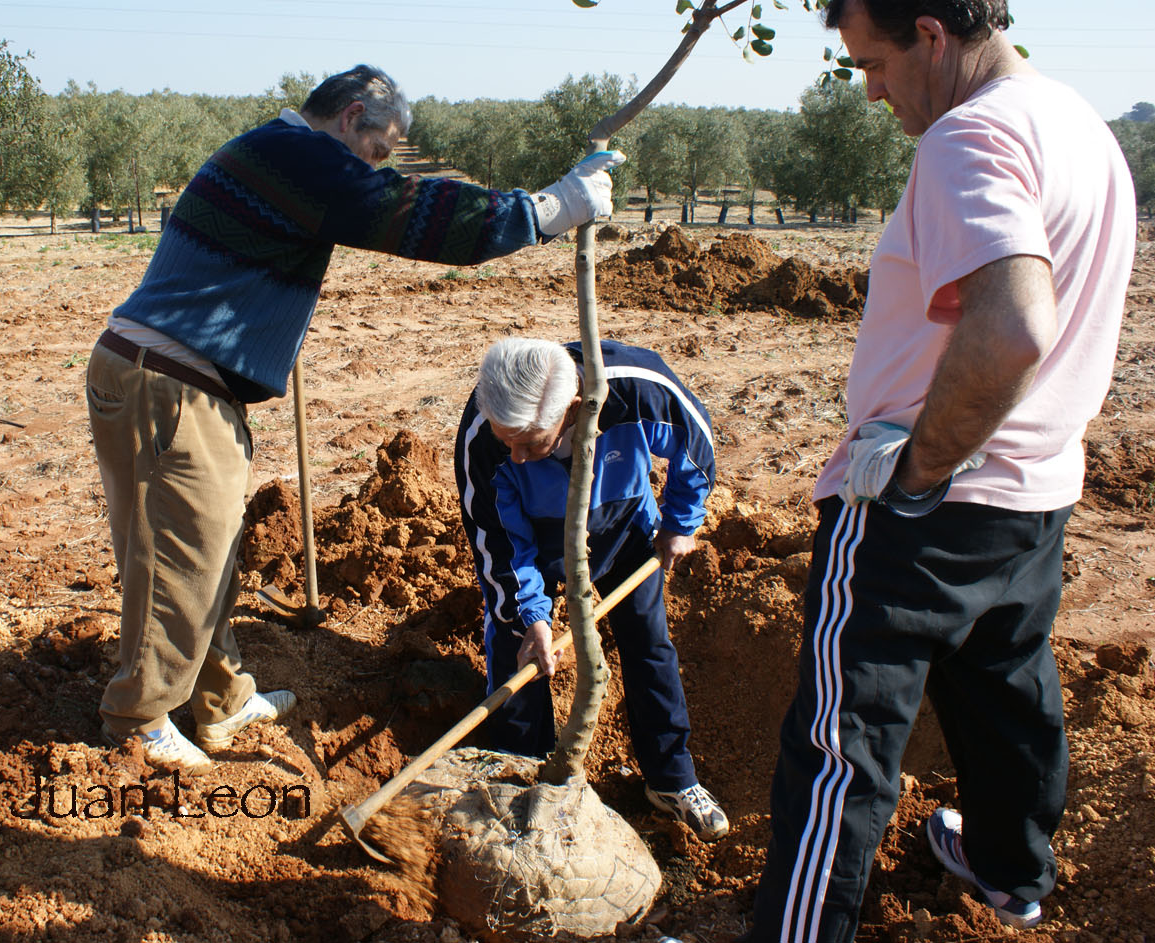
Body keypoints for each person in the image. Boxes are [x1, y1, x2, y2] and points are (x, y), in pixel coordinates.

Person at [86, 65, 627, 775]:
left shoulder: (272, 152)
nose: (382, 165)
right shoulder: (304, 158)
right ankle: (137, 719)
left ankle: (220, 699)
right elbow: (420, 216)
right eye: (380, 149)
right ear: (349, 117)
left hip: (179, 380)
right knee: (177, 558)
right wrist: (554, 207)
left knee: (211, 548)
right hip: (169, 387)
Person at [742, 1, 1137, 939]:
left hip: (929, 503)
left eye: (873, 64)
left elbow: (1012, 327)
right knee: (1004, 692)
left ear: (929, 32)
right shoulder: (1081, 124)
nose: (871, 89)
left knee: (843, 746)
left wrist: (914, 471)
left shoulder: (970, 137)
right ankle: (1009, 875)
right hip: (1032, 494)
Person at [454, 337, 729, 841]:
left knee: (648, 642)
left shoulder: (639, 390)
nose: (515, 456)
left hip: (622, 524)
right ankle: (521, 783)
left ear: (577, 410)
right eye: (506, 441)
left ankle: (671, 779)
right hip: (531, 542)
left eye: (530, 444)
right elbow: (498, 548)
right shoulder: (483, 438)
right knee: (517, 646)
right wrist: (533, 619)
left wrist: (679, 523)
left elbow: (698, 442)